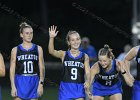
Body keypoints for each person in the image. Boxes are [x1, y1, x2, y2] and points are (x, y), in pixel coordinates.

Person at [48, 25, 90, 100]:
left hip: (79, 88)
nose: (75, 42)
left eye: (77, 39)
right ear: (69, 42)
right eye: (73, 40)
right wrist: (51, 38)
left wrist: (88, 81)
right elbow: (51, 51)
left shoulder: (85, 56)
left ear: (80, 41)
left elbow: (88, 72)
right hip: (65, 89)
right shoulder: (64, 54)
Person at [10, 22, 45, 100]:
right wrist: (13, 86)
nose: (29, 35)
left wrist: (41, 84)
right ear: (21, 35)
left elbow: (42, 67)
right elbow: (12, 69)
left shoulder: (38, 48)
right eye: (27, 33)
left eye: (31, 33)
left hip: (33, 80)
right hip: (20, 81)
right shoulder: (15, 50)